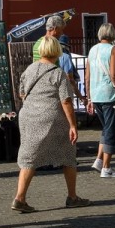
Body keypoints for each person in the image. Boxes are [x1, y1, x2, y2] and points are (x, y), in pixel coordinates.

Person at [11, 35, 91, 212]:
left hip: (28, 117)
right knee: (68, 155)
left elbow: (22, 94)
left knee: (29, 157)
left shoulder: (29, 70)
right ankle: (72, 197)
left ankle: (20, 198)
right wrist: (72, 125)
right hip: (52, 119)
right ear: (57, 51)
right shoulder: (58, 73)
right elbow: (66, 101)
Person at [87, 22, 115, 178]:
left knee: (106, 128)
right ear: (112, 34)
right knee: (111, 130)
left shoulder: (92, 50)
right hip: (109, 94)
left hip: (96, 94)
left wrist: (89, 97)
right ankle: (106, 167)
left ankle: (98, 160)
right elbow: (114, 74)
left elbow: (87, 76)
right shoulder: (112, 49)